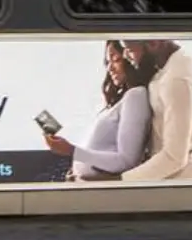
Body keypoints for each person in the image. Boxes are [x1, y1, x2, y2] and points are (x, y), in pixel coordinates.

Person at [44, 41, 152, 181]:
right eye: (107, 62)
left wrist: (72, 151)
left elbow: (126, 160)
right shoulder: (121, 101)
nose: (110, 68)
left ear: (130, 58)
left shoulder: (136, 95)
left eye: (116, 60)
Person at [120, 38, 192, 182]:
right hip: (179, 179)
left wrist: (119, 180)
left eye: (129, 49)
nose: (125, 55)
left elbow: (174, 157)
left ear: (153, 43)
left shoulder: (179, 77)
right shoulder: (173, 66)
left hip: (184, 184)